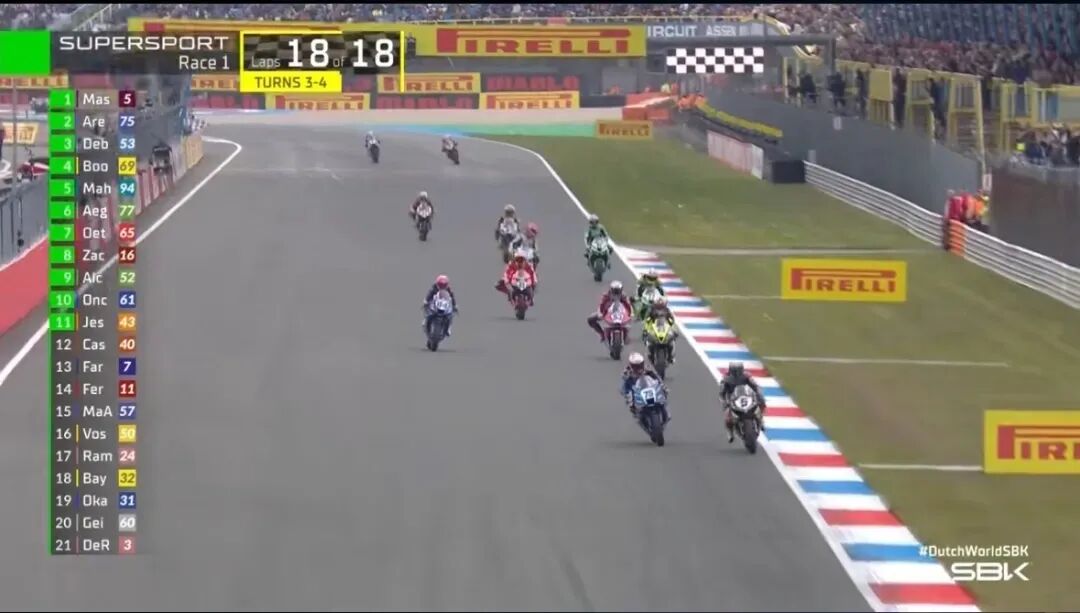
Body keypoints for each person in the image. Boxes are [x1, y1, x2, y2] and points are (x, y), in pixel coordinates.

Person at [719, 362, 767, 443]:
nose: (737, 373)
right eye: (735, 371)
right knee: (728, 416)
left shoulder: (747, 376)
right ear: (731, 370)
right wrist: (724, 401)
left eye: (738, 370)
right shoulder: (725, 378)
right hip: (733, 398)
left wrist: (758, 392)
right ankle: (730, 433)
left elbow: (754, 385)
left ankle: (761, 420)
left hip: (746, 395)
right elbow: (722, 392)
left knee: (761, 402)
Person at [620, 352, 668, 420]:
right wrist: (627, 394)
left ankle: (664, 411)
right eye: (636, 366)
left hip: (648, 386)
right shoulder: (627, 372)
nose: (638, 367)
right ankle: (637, 411)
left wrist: (662, 386)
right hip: (635, 389)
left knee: (662, 393)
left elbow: (656, 377)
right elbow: (624, 386)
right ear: (631, 365)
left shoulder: (647, 368)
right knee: (630, 401)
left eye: (640, 365)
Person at [642, 295, 678, 364]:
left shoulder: (667, 310)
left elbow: (671, 321)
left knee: (671, 342)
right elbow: (647, 320)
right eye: (658, 304)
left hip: (664, 329)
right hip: (653, 329)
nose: (660, 306)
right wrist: (645, 330)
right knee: (649, 342)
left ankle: (671, 356)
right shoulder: (651, 310)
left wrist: (674, 330)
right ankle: (650, 355)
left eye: (661, 304)